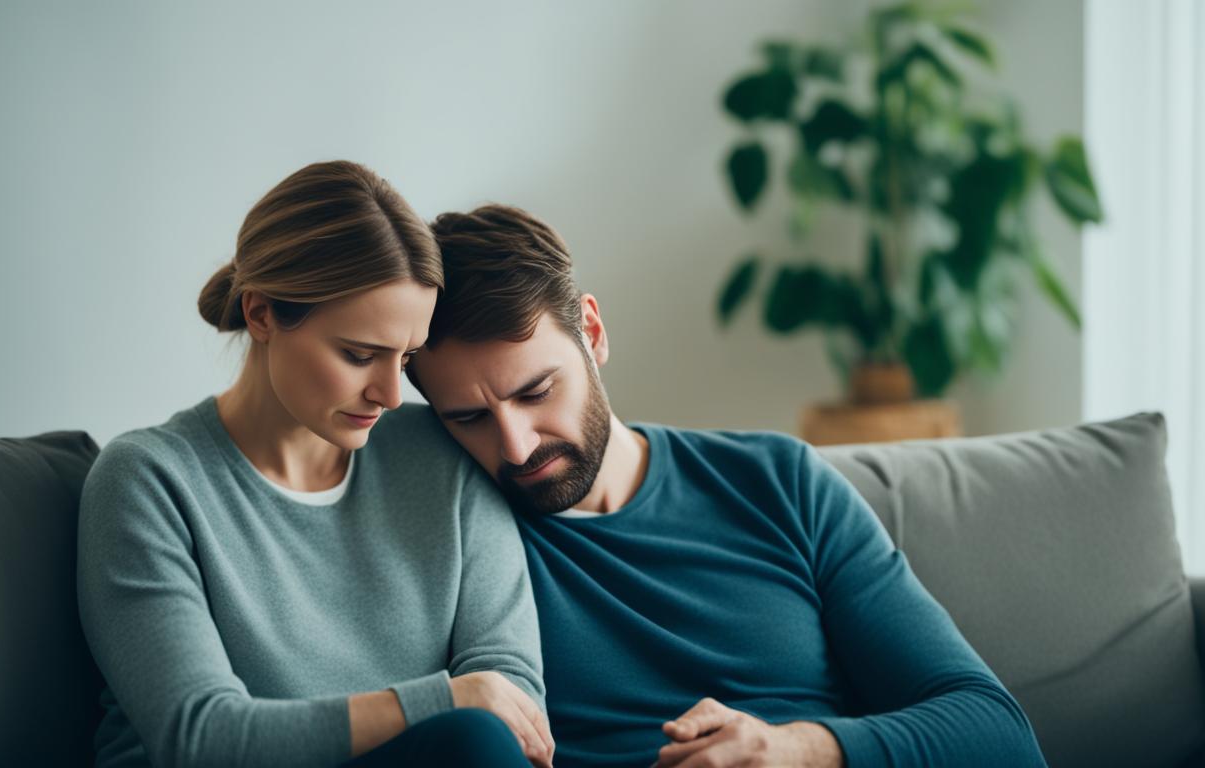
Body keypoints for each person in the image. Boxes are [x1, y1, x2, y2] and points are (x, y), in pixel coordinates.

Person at [405, 204, 1050, 768]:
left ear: (592, 334)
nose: (516, 445)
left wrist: (800, 750)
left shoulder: (778, 482)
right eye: (469, 418)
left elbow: (1000, 736)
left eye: (536, 392)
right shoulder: (455, 546)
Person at [76, 163, 554, 768]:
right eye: (359, 355)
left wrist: (467, 709)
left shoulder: (440, 455)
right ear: (261, 315)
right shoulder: (149, 481)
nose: (389, 393)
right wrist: (437, 702)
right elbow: (199, 736)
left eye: (405, 359)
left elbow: (511, 696)